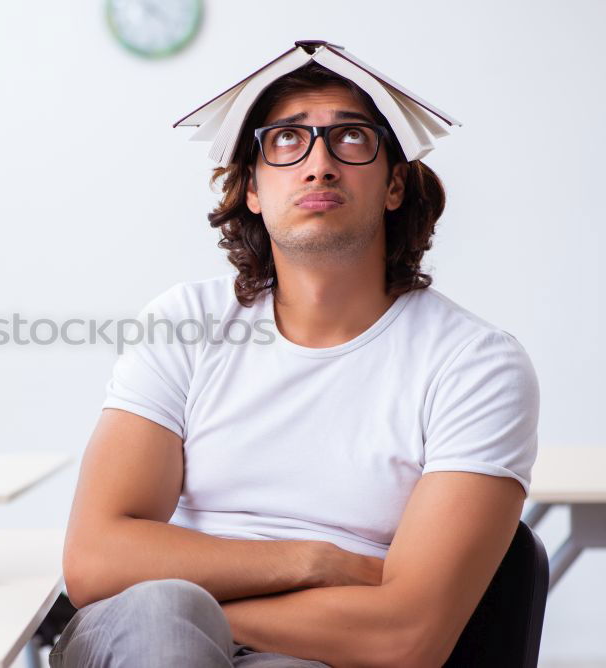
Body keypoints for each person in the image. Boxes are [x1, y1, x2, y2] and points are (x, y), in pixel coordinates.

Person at [50, 56, 539, 667]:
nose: (319, 162)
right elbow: (94, 562)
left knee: (173, 614)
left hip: (325, 658)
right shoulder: (185, 322)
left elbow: (406, 639)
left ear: (393, 186)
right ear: (252, 188)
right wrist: (315, 562)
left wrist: (198, 612)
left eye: (352, 137)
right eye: (286, 139)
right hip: (145, 640)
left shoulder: (475, 365)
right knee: (158, 619)